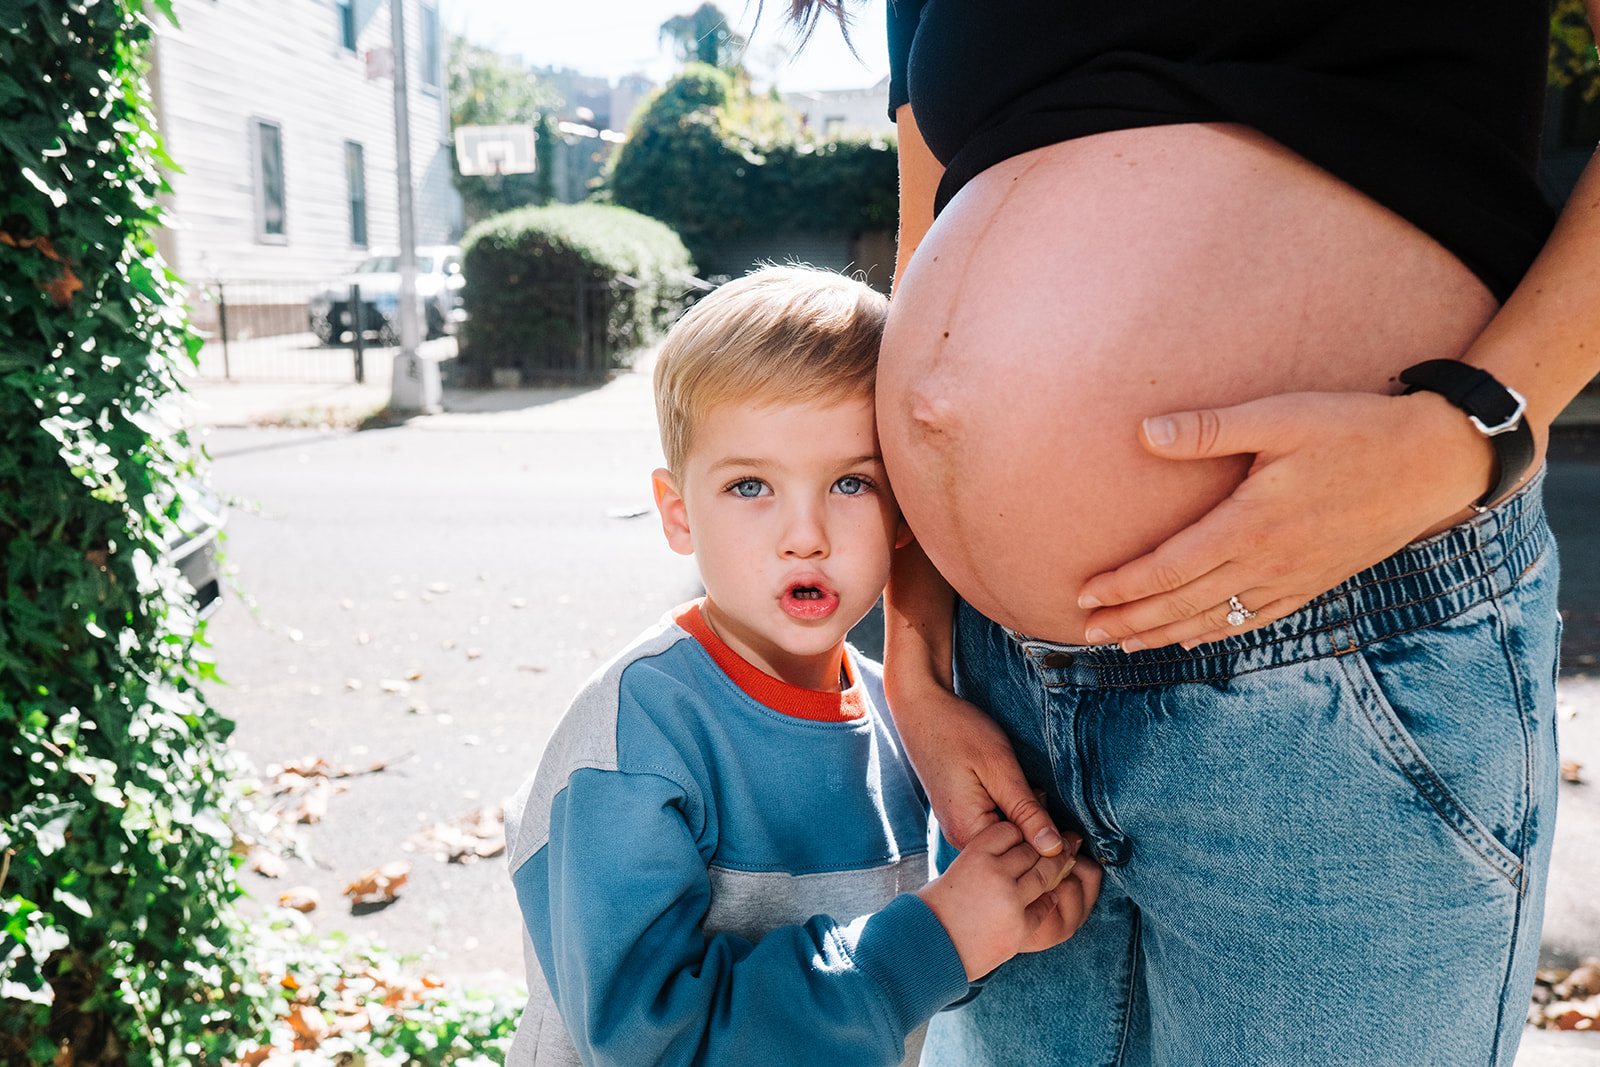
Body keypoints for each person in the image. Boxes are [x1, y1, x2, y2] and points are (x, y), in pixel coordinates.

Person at [777, 0, 1600, 1064]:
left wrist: (1478, 425)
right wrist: (918, 665)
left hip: (1338, 655)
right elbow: (922, 238)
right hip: (1002, 705)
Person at [501, 266, 1102, 1067]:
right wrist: (939, 937)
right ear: (678, 513)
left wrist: (997, 920)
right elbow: (654, 1044)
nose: (806, 534)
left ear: (904, 511)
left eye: (851, 482)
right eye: (750, 485)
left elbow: (889, 977)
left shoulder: (905, 722)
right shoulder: (635, 740)